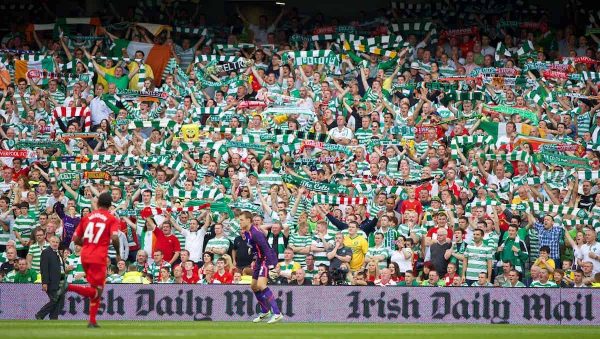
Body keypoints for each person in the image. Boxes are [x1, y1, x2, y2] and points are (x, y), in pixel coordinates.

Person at [63, 192, 120, 328]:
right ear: (110, 205)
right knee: (97, 291)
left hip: (85, 256)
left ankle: (92, 321)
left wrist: (88, 245)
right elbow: (115, 238)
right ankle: (68, 286)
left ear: (98, 203)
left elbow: (75, 239)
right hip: (98, 257)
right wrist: (118, 253)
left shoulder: (87, 217)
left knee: (94, 289)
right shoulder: (111, 219)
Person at [239, 211, 283, 324]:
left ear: (249, 220)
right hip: (259, 260)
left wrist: (273, 264)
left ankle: (277, 313)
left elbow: (266, 248)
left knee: (261, 285)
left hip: (265, 259)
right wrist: (253, 253)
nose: (240, 222)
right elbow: (255, 247)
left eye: (242, 220)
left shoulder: (256, 233)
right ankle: (265, 311)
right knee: (254, 286)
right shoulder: (248, 232)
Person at [35, 236, 65, 320]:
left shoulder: (58, 253)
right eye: (53, 242)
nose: (55, 244)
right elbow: (44, 269)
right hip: (51, 282)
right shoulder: (46, 252)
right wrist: (45, 282)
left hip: (60, 281)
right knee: (55, 299)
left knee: (59, 300)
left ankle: (53, 317)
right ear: (49, 242)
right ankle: (40, 314)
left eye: (57, 242)